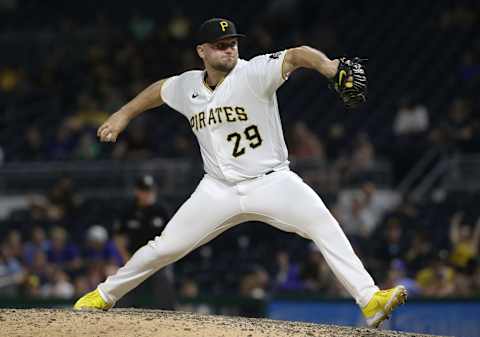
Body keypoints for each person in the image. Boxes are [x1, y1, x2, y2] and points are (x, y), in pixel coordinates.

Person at [74, 18, 406, 328]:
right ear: (201, 51)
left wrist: (329, 67)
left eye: (232, 42)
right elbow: (159, 90)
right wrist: (122, 115)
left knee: (324, 224)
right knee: (164, 248)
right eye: (220, 44)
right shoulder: (188, 86)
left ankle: (370, 299)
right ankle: (102, 296)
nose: (229, 48)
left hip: (271, 181)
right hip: (217, 189)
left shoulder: (254, 73)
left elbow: (297, 54)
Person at [113, 175, 176, 309]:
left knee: (164, 282)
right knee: (124, 287)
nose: (147, 194)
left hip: (158, 259)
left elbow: (173, 236)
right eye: (144, 190)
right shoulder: (129, 210)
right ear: (137, 191)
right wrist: (125, 257)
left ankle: (169, 317)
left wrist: (164, 258)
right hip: (133, 257)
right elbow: (118, 237)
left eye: (150, 190)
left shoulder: (162, 210)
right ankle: (119, 315)